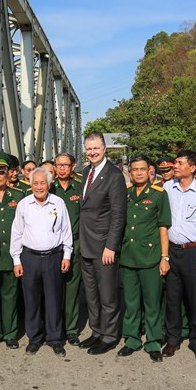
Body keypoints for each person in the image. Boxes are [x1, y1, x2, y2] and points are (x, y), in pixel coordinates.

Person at [11, 167, 73, 357]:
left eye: (42, 183)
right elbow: (17, 233)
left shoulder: (58, 203)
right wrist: (16, 259)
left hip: (53, 257)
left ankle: (55, 339)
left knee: (54, 300)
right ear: (31, 185)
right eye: (35, 183)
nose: (39, 187)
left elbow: (66, 230)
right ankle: (35, 338)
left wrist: (67, 255)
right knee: (32, 300)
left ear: (49, 184)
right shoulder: (23, 205)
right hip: (30, 258)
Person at [163, 150, 196, 363]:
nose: (174, 166)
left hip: (194, 251)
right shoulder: (168, 188)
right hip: (172, 250)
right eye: (175, 162)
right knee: (173, 298)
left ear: (192, 168)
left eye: (179, 163)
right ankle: (173, 339)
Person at [78, 132, 127, 355]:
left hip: (103, 247)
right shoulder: (86, 172)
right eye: (89, 149)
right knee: (91, 293)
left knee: (108, 296)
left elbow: (118, 215)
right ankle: (96, 331)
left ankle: (109, 336)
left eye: (96, 148)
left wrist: (111, 246)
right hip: (86, 245)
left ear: (104, 148)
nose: (92, 152)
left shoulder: (114, 176)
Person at [118, 156, 171, 362]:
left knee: (152, 302)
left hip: (150, 257)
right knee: (131, 302)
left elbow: (163, 228)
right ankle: (132, 339)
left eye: (142, 169)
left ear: (150, 171)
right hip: (129, 256)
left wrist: (164, 257)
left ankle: (153, 342)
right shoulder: (126, 194)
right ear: (129, 173)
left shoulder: (159, 194)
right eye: (135, 170)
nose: (139, 173)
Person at [0, 152, 25, 350]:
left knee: (10, 295)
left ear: (9, 173)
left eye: (2, 171)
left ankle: (10, 333)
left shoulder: (19, 195)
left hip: (11, 254)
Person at [52, 152, 84, 345]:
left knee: (72, 287)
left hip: (76, 243)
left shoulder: (81, 188)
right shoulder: (48, 188)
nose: (62, 168)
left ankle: (71, 329)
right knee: (53, 288)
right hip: (53, 245)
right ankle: (54, 326)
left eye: (65, 165)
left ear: (73, 167)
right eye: (58, 165)